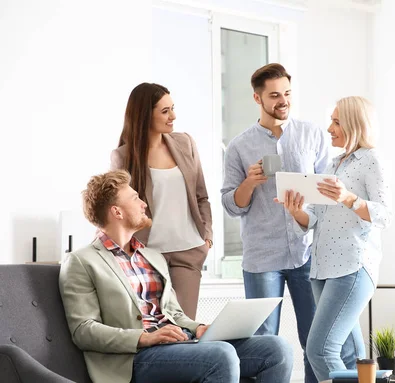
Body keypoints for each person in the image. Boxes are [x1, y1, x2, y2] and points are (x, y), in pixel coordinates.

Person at [59, 170, 293, 383]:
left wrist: (199, 328)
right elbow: (84, 330)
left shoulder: (151, 257)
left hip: (177, 345)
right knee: (221, 355)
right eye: (135, 198)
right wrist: (144, 338)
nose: (143, 204)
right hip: (134, 358)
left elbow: (175, 314)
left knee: (276, 349)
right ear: (116, 212)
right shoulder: (82, 261)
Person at [220, 63, 329, 383]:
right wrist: (250, 183)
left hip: (307, 251)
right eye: (274, 95)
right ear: (258, 98)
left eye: (287, 94)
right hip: (262, 256)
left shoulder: (312, 135)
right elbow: (230, 205)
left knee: (316, 340)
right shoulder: (239, 146)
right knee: (264, 342)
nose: (283, 101)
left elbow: (326, 192)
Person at [278, 96, 392, 382]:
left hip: (352, 267)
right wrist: (296, 212)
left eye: (336, 121)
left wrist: (349, 198)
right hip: (322, 269)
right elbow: (314, 216)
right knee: (352, 355)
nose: (329, 128)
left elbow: (385, 216)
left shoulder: (371, 160)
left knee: (320, 349)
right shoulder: (333, 163)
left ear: (354, 124)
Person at [111, 82, 212, 319]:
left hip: (189, 251)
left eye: (172, 108)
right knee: (155, 326)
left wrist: (206, 237)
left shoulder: (185, 143)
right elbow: (117, 210)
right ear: (145, 115)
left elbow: (202, 196)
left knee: (185, 328)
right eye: (165, 111)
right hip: (147, 254)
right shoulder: (123, 156)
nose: (173, 116)